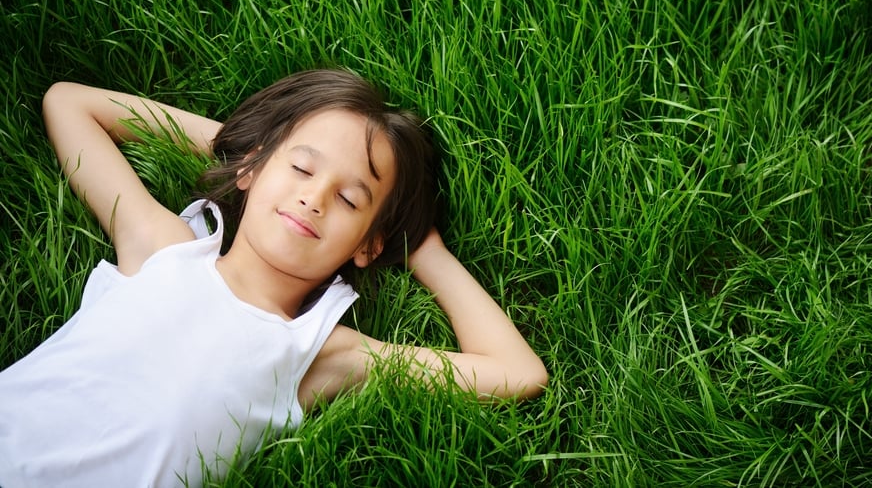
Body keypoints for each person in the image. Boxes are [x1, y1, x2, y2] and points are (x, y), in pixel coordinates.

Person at [0, 69, 548, 487]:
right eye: (302, 168)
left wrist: (423, 249)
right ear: (253, 169)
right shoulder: (163, 249)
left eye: (349, 198)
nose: (314, 197)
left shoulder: (317, 352)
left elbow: (517, 373)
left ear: (366, 244)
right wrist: (248, 154)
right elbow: (69, 103)